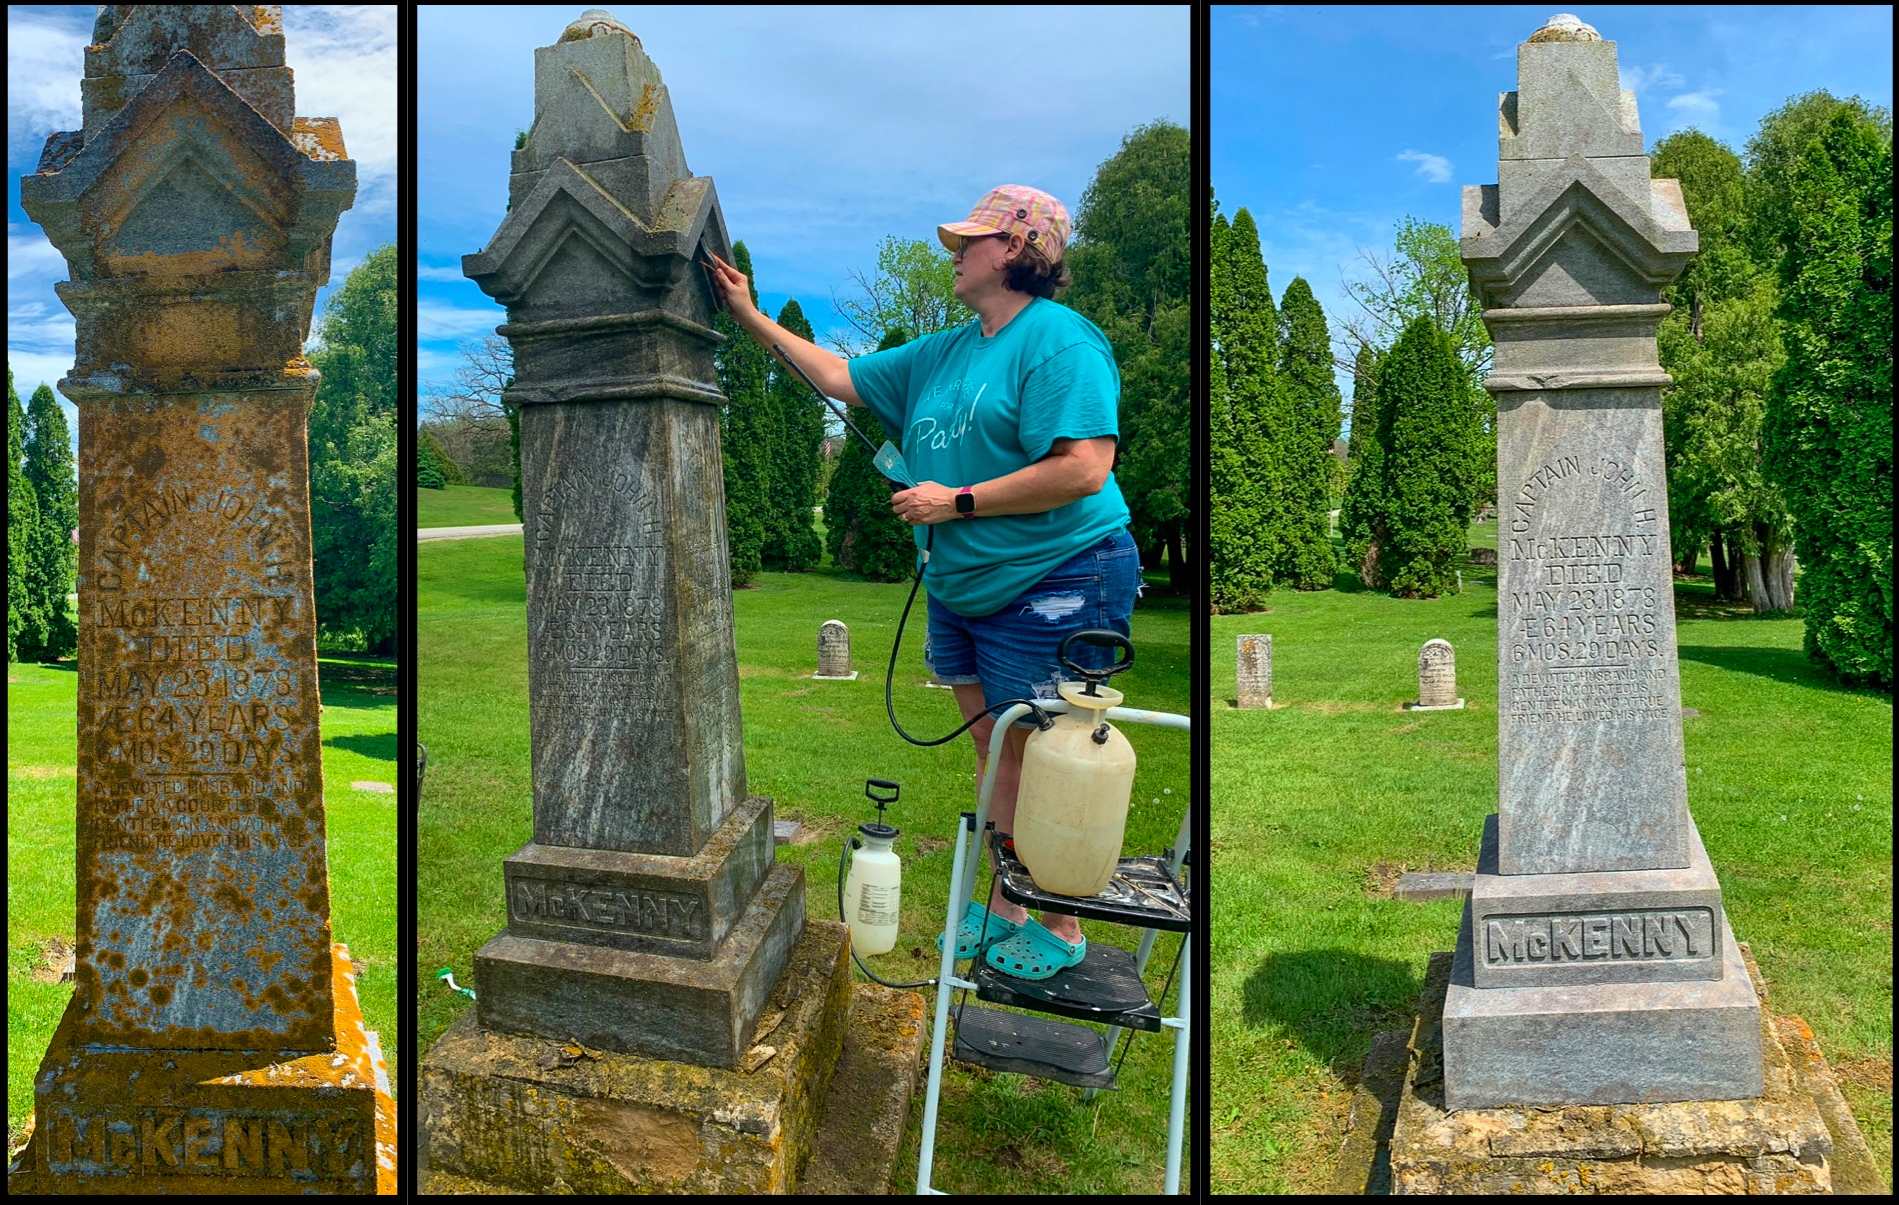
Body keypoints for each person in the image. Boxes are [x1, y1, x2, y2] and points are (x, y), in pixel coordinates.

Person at [707, 184, 1136, 980]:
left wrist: (956, 500)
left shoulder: (1060, 343)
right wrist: (749, 315)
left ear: (1015, 249)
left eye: (968, 241)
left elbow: (1084, 467)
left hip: (1058, 574)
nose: (954, 252)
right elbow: (837, 375)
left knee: (1053, 756)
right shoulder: (945, 350)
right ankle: (1006, 903)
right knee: (992, 745)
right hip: (962, 585)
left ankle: (1062, 921)